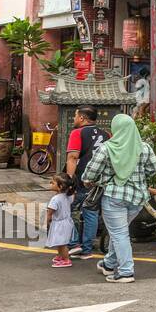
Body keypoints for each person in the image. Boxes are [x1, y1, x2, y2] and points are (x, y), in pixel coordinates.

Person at [81, 113, 156, 284]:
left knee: (119, 233)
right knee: (120, 232)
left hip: (113, 197)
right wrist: (139, 176)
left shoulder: (106, 148)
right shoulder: (144, 147)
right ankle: (109, 264)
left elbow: (89, 174)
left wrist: (90, 181)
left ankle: (125, 271)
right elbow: (154, 168)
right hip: (138, 198)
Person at [65, 106, 109, 258]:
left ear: (82, 118)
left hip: (80, 179)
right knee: (91, 213)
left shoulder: (77, 133)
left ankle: (73, 243)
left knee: (66, 210)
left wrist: (69, 181)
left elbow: (72, 158)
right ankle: (87, 249)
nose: (74, 119)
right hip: (98, 181)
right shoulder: (106, 134)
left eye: (76, 116)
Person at [44, 173, 75, 268]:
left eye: (53, 183)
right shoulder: (68, 195)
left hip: (59, 224)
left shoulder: (55, 199)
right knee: (60, 241)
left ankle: (66, 260)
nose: (50, 184)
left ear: (60, 186)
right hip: (66, 222)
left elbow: (50, 213)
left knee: (62, 244)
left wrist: (47, 222)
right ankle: (61, 256)